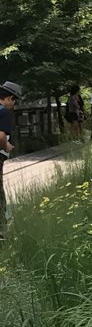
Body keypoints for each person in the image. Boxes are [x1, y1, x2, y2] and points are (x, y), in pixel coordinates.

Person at [0, 81, 22, 232]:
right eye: (14, 101)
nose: (13, 105)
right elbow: (1, 135)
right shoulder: (4, 112)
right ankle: (2, 226)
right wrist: (6, 146)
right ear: (9, 98)